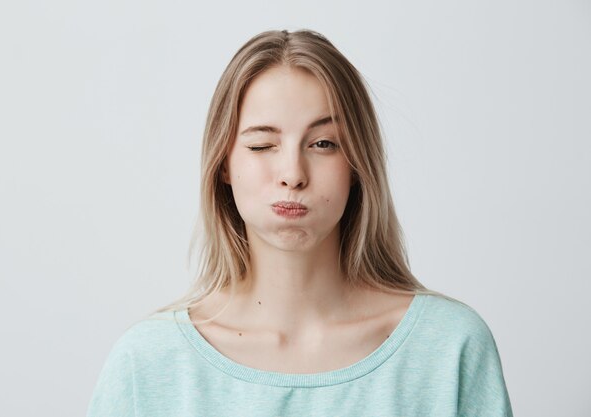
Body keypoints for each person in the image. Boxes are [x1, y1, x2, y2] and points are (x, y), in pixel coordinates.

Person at [86, 29, 513, 416]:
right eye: (262, 145)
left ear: (358, 165)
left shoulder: (450, 349)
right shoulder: (146, 365)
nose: (293, 173)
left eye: (323, 143)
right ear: (223, 165)